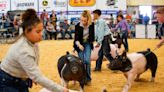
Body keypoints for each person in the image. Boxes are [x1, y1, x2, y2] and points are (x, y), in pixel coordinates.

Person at [0, 9, 73, 92]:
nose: (41, 34)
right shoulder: (23, 50)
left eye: (41, 30)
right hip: (7, 81)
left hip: (21, 80)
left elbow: (35, 64)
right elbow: (38, 77)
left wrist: (31, 75)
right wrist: (60, 89)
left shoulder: (31, 41)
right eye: (38, 31)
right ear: (27, 31)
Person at [73, 10, 94, 84]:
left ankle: (88, 79)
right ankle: (82, 78)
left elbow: (93, 37)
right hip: (79, 44)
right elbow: (76, 39)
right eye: (81, 20)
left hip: (88, 44)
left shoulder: (92, 25)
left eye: (84, 21)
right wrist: (78, 45)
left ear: (88, 20)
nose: (82, 22)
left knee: (87, 61)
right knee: (81, 62)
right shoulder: (78, 26)